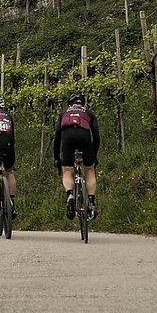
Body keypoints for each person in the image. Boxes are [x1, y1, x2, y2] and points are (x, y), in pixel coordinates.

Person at [53, 91, 100, 220]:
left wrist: (57, 158)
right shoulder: (89, 113)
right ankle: (91, 202)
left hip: (67, 139)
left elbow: (57, 136)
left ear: (69, 104)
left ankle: (70, 195)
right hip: (84, 138)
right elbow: (96, 135)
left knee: (67, 170)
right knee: (90, 169)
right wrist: (94, 156)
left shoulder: (64, 113)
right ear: (83, 104)